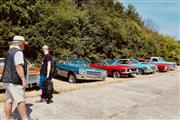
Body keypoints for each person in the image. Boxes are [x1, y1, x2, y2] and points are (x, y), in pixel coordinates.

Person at [1, 35, 29, 120]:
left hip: (7, 81)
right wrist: (23, 80)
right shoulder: (18, 52)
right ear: (20, 43)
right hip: (15, 81)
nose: (24, 45)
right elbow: (18, 66)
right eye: (23, 43)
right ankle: (25, 119)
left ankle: (8, 118)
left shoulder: (9, 52)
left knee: (9, 100)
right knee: (21, 100)